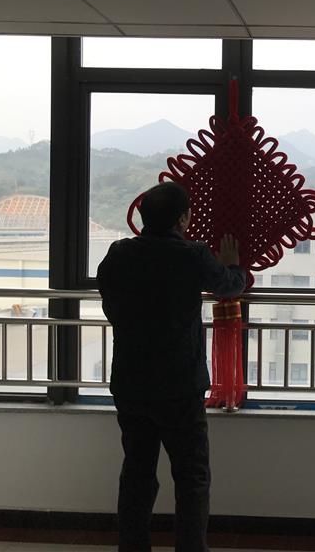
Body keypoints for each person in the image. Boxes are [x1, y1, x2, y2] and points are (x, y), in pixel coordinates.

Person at [97, 181, 246, 552]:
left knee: (137, 473)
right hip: (180, 386)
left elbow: (109, 298)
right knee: (191, 477)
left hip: (131, 383)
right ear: (183, 219)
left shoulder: (119, 254)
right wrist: (233, 265)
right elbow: (229, 286)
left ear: (142, 216)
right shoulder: (192, 255)